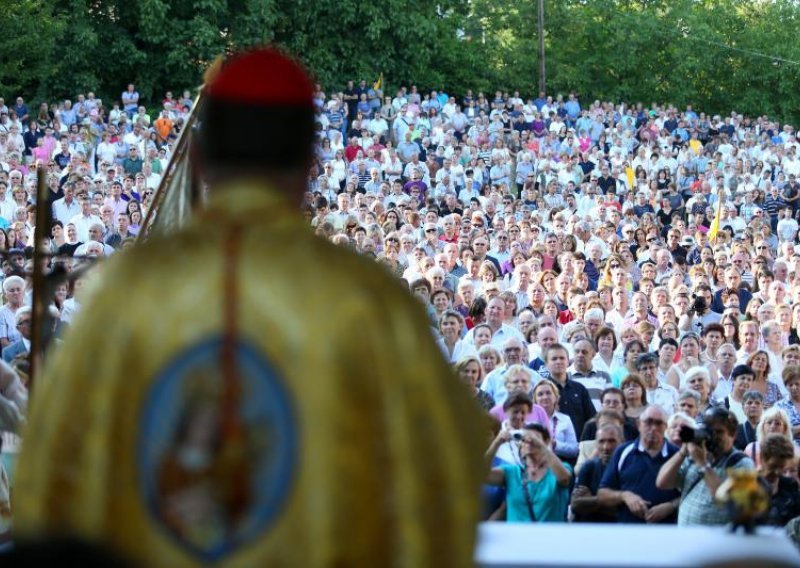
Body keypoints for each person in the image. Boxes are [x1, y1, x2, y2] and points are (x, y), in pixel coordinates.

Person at [14, 49, 485, 567]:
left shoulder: (126, 297)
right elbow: (446, 490)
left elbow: (47, 494)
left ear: (199, 160)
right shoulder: (372, 305)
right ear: (312, 165)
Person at [657, 406, 755, 526]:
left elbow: (731, 502)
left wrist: (703, 464)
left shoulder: (742, 463)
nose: (713, 437)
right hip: (685, 537)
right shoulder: (695, 456)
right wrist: (682, 452)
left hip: (716, 540)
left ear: (733, 435)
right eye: (709, 431)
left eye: (719, 432)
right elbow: (662, 483)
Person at [597, 405, 681, 524]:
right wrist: (625, 496)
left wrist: (670, 506)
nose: (653, 428)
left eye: (658, 423)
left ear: (666, 427)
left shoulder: (678, 455)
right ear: (638, 425)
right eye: (648, 422)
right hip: (629, 531)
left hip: (666, 531)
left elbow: (692, 495)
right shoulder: (623, 452)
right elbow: (602, 494)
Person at [486, 422, 573, 523]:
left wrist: (542, 446)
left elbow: (564, 478)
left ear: (546, 442)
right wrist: (497, 443)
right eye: (524, 439)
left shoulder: (559, 468)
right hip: (517, 537)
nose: (529, 442)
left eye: (535, 438)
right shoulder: (512, 472)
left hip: (550, 537)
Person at [570, 423, 624, 523]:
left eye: (611, 441)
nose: (606, 447)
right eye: (601, 441)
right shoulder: (589, 466)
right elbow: (575, 505)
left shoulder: (627, 468)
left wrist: (591, 500)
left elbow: (624, 510)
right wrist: (609, 500)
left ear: (622, 442)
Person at [758, 434, 800, 527]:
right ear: (762, 459)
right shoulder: (749, 486)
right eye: (773, 466)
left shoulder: (790, 485)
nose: (777, 472)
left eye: (782, 467)